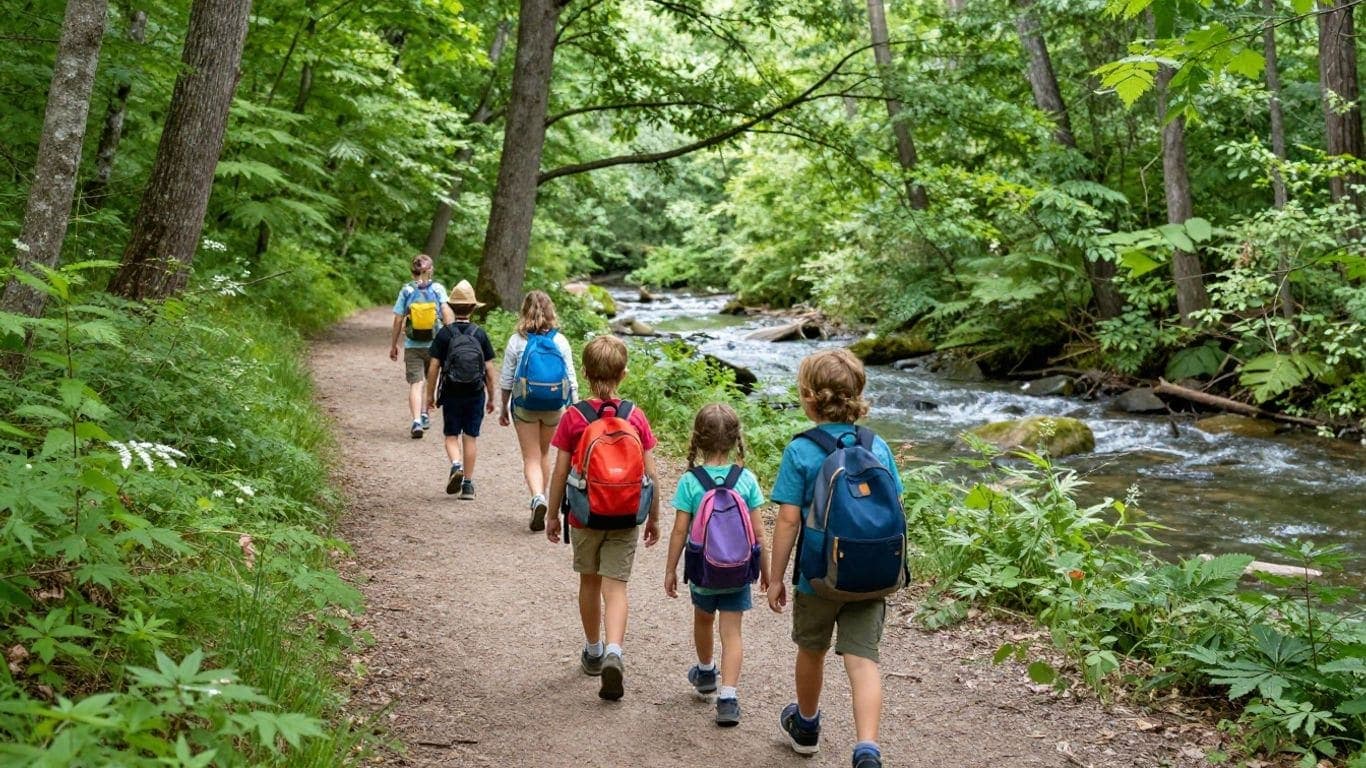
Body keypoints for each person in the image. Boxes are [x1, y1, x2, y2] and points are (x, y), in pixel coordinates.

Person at [766, 348, 903, 768]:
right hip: (872, 575)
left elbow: (788, 521)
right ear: (857, 394)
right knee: (864, 661)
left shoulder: (802, 451)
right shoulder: (876, 445)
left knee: (812, 650)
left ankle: (806, 727)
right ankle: (867, 747)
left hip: (817, 577)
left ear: (808, 397)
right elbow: (894, 504)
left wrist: (774, 578)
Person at [545, 334, 661, 701]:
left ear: (585, 372)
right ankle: (614, 650)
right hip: (626, 515)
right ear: (623, 374)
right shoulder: (634, 416)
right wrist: (654, 517)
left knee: (590, 583)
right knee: (617, 587)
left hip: (584, 515)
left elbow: (560, 473)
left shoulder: (574, 417)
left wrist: (551, 514)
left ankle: (593, 651)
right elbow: (652, 475)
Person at [663, 403, 769, 727]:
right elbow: (760, 530)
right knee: (732, 632)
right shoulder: (746, 479)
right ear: (736, 438)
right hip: (739, 570)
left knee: (703, 620)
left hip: (704, 572)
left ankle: (706, 671)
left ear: (698, 439)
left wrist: (670, 569)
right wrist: (766, 569)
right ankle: (728, 697)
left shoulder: (691, 482)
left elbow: (680, 530)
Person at [498, 290, 578, 531]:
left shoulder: (517, 340)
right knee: (544, 454)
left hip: (525, 406)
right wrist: (573, 407)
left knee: (530, 456)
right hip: (554, 406)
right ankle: (541, 496)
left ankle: (537, 497)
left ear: (524, 311)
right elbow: (571, 379)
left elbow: (507, 379)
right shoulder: (560, 341)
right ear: (551, 311)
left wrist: (503, 406)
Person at [424, 280, 496, 500]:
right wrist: (492, 397)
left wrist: (431, 395)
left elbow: (434, 365)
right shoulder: (480, 334)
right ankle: (467, 485)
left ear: (452, 308)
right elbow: (489, 370)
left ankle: (456, 464)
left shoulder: (445, 334)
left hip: (452, 391)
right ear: (473, 308)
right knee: (471, 437)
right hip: (475, 392)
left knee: (451, 434)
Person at [389, 254, 454, 439]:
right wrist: (451, 338)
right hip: (435, 345)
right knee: (430, 381)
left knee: (416, 384)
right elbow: (446, 313)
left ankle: (416, 420)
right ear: (430, 270)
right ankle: (425, 412)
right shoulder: (438, 289)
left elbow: (398, 319)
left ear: (412, 271)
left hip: (412, 345)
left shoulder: (407, 291)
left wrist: (393, 345)